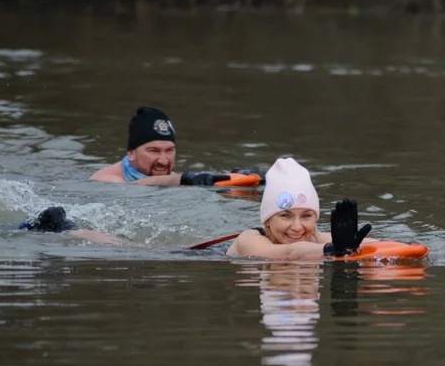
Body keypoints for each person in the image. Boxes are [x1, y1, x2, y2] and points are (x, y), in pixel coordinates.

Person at [227, 157, 372, 260]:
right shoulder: (247, 241)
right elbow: (289, 254)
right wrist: (331, 249)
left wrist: (353, 245)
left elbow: (379, 245)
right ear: (268, 220)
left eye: (306, 216)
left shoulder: (315, 237)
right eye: (285, 215)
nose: (297, 227)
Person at [89, 106, 232, 186]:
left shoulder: (169, 177)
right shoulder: (106, 180)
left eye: (169, 150)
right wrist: (181, 180)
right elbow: (131, 190)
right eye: (154, 151)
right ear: (131, 153)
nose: (163, 161)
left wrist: (236, 179)